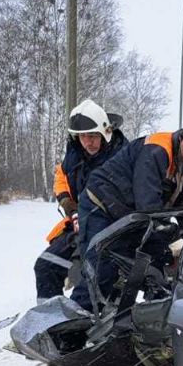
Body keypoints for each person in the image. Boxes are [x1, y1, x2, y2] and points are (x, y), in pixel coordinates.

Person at [70, 117, 183, 311]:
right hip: (101, 206)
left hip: (129, 215)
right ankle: (67, 330)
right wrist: (172, 243)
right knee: (100, 270)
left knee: (149, 264)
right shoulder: (157, 150)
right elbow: (148, 206)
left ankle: (119, 317)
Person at [34, 99, 127, 301]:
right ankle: (52, 322)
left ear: (105, 132)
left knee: (100, 279)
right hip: (77, 225)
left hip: (111, 230)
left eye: (93, 136)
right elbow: (61, 177)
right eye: (83, 136)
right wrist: (69, 204)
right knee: (45, 266)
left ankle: (103, 325)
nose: (88, 142)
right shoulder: (74, 156)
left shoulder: (122, 157)